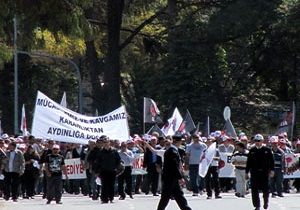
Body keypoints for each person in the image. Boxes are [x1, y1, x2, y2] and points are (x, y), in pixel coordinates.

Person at [157, 135, 192, 210]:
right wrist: (180, 177)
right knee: (165, 197)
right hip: (170, 178)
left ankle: (186, 208)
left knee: (179, 195)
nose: (182, 142)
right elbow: (174, 166)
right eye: (181, 141)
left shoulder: (173, 150)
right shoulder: (172, 151)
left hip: (172, 178)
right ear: (178, 141)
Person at [246, 134, 274, 210]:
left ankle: (266, 202)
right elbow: (249, 162)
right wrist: (246, 172)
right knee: (254, 189)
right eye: (256, 141)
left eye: (259, 141)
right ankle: (257, 205)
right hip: (254, 172)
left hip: (264, 172)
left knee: (265, 189)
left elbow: (271, 161)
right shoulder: (252, 150)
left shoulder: (267, 150)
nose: (257, 142)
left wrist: (272, 170)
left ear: (262, 141)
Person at [94, 135, 121, 203]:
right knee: (104, 185)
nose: (105, 143)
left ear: (109, 142)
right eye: (104, 142)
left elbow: (118, 160)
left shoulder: (114, 151)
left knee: (111, 185)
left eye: (106, 142)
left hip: (112, 170)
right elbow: (97, 162)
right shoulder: (101, 152)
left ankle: (111, 198)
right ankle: (104, 199)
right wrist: (96, 171)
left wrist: (117, 168)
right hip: (103, 171)